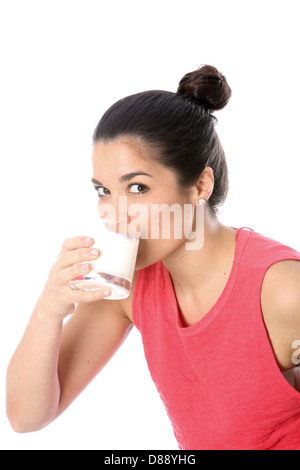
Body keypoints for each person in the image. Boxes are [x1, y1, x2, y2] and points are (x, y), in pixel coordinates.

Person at [6, 65, 300, 450]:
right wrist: (49, 308)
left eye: (137, 188)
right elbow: (26, 417)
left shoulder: (281, 290)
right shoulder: (129, 283)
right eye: (103, 191)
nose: (114, 213)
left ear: (199, 186)